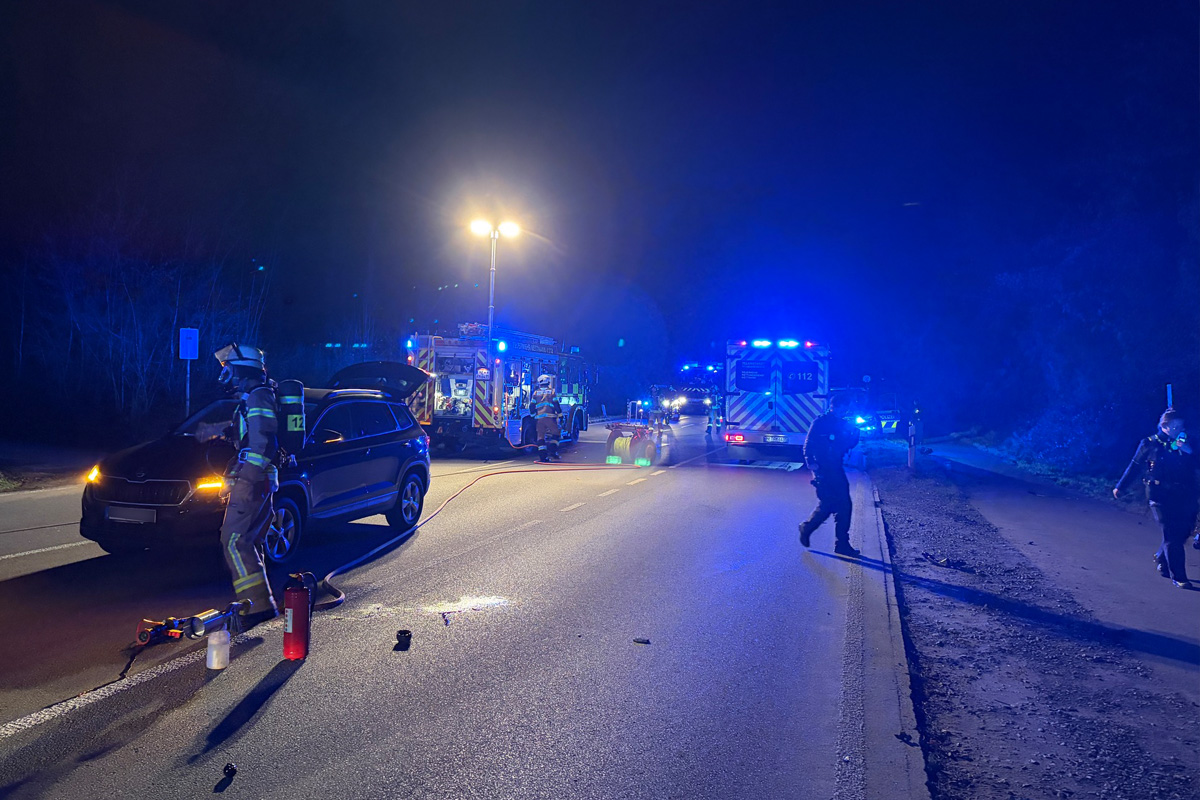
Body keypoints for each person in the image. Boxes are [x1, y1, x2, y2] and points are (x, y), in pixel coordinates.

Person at [214, 343, 281, 627]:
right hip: (261, 480)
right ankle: (262, 602)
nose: (226, 374)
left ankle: (254, 608)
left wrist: (245, 482)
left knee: (233, 541)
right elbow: (254, 436)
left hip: (254, 480)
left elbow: (262, 445)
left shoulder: (258, 398)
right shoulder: (255, 397)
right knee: (251, 541)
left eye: (229, 369)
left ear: (241, 371)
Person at [1114, 407, 1199, 589]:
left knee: (1183, 532)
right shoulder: (1150, 443)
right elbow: (1134, 466)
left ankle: (1161, 556)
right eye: (1174, 425)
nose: (1178, 429)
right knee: (1171, 534)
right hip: (1159, 495)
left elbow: (1195, 464)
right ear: (1164, 426)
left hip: (1184, 496)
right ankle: (1180, 577)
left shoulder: (1187, 442)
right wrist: (1120, 487)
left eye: (1180, 425)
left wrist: (1189, 451)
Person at [799, 394, 862, 557]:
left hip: (836, 467)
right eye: (843, 408)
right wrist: (810, 462)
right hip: (823, 468)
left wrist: (855, 435)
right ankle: (809, 528)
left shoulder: (843, 424)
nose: (845, 411)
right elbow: (808, 443)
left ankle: (841, 543)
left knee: (841, 505)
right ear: (834, 406)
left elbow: (846, 444)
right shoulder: (820, 422)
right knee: (830, 503)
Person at [531, 374, 562, 463]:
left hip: (539, 419)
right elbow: (556, 404)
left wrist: (533, 416)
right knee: (556, 434)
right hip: (550, 417)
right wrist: (560, 415)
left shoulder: (536, 393)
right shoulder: (551, 392)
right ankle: (552, 451)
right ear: (548, 382)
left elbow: (532, 406)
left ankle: (543, 458)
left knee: (540, 437)